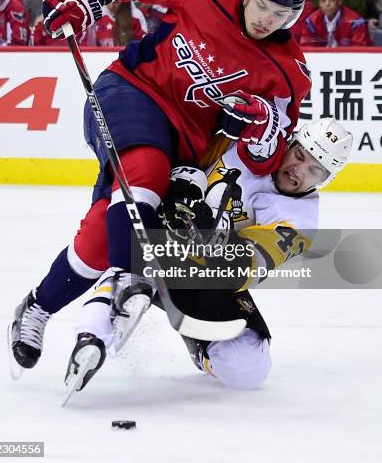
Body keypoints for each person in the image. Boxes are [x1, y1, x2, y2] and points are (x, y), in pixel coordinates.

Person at [8, 0, 310, 373]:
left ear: (293, 15)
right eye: (261, 4)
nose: (265, 19)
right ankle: (125, 275)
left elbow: (268, 156)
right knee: (145, 172)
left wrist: (260, 122)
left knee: (101, 233)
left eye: (280, 13)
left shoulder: (289, 73)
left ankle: (37, 307)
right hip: (132, 91)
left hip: (186, 149)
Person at [70, 117, 352, 392]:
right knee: (129, 277)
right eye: (299, 154)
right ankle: (90, 336)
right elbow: (180, 153)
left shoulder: (300, 221)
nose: (298, 170)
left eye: (315, 171)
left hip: (206, 276)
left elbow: (245, 267)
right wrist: (179, 186)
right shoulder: (250, 143)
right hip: (157, 240)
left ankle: (200, 347)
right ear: (289, 143)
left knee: (249, 368)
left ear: (325, 180)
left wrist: (210, 237)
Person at [301, 0, 371, 47]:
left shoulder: (355, 23)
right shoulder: (311, 22)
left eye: (332, 0)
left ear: (339, 1)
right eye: (323, 0)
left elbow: (359, 50)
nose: (327, 4)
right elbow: (306, 48)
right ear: (319, 3)